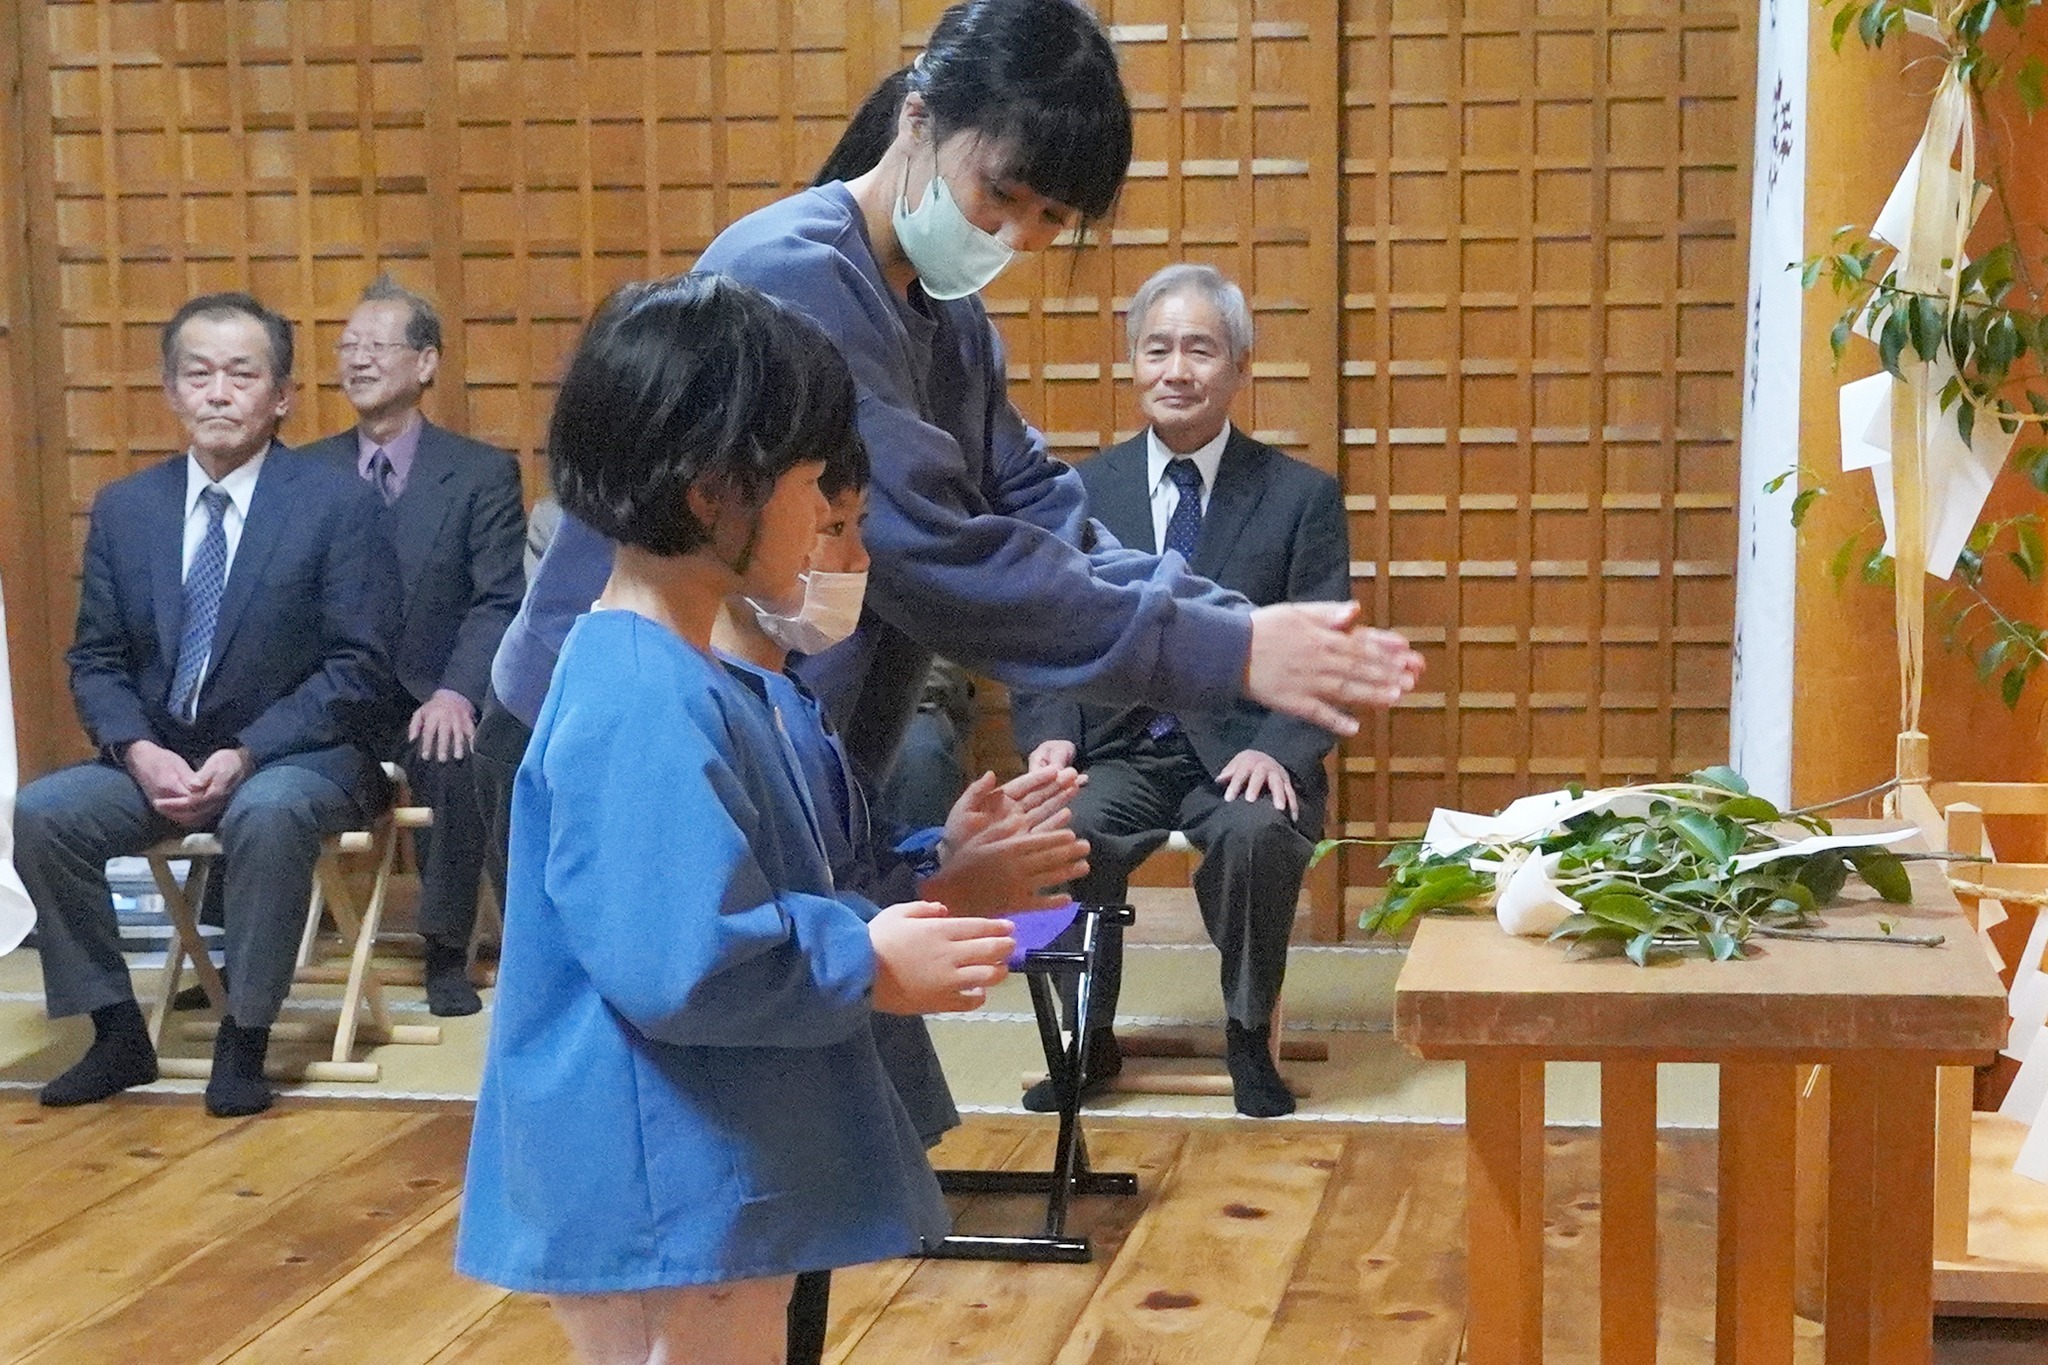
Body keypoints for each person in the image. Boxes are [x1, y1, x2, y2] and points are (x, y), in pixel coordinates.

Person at [477, 0, 1423, 928]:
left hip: (772, 737)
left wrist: (1232, 627)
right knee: (671, 1030)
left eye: (1050, 216)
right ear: (918, 118)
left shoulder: (950, 319)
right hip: (627, 721)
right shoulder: (795, 274)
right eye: (1003, 195)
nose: (1017, 237)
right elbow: (936, 556)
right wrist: (1233, 649)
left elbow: (1043, 515)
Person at [453, 274, 1018, 1365]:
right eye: (812, 487)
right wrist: (859, 957)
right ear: (717, 490)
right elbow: (681, 961)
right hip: (665, 1184)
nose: (822, 519)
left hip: (689, 1171)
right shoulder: (641, 689)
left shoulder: (689, 673)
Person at [713, 471, 1091, 1362]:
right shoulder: (703, 701)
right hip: (740, 1101)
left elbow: (855, 858)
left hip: (800, 1080)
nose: (857, 560)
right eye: (832, 527)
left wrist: (939, 854)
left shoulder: (791, 695)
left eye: (862, 528)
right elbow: (728, 937)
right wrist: (941, 898)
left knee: (792, 1316)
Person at [13, 292, 401, 1117]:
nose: (219, 392)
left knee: (265, 810)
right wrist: (134, 750)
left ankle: (244, 1036)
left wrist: (249, 750)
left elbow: (359, 666)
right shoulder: (128, 507)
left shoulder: (335, 505)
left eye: (241, 374)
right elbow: (97, 659)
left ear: (283, 395)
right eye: (199, 374)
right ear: (171, 390)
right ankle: (117, 1030)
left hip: (302, 756)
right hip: (164, 753)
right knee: (45, 813)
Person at [1011, 263, 1349, 1117]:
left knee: (1253, 831)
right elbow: (1039, 628)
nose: (1177, 369)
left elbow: (1323, 642)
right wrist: (1050, 729)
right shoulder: (1080, 493)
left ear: (1239, 365)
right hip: (1116, 745)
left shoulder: (1301, 497)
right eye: (1157, 349)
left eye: (1200, 349)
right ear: (1133, 364)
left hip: (1238, 749)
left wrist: (1280, 749)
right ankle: (1085, 1036)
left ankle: (1246, 1033)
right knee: (1064, 829)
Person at [296, 276, 526, 1016]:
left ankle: (444, 950)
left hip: (432, 687)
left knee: (455, 749)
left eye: (377, 345)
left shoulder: (481, 473)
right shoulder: (303, 473)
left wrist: (459, 689)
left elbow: (498, 597)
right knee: (247, 748)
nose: (358, 360)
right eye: (348, 346)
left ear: (426, 364)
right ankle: (235, 951)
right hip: (334, 692)